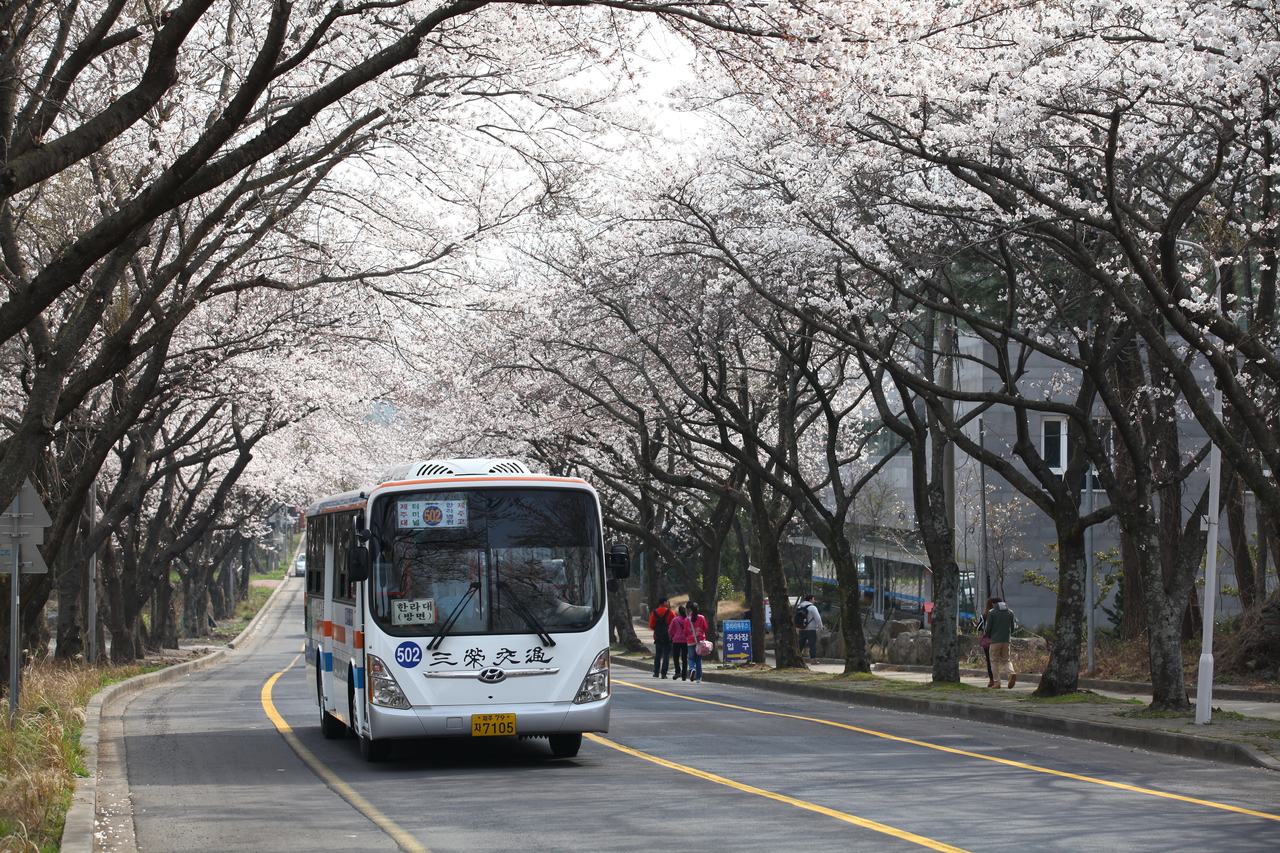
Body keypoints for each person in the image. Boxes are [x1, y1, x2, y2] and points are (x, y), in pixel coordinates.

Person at [986, 596, 1017, 688]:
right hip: (1006, 640)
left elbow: (988, 627)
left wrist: (990, 636)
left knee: (994, 661)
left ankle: (997, 682)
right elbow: (1013, 627)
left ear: (993, 604)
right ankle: (1011, 673)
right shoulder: (1010, 612)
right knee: (1006, 660)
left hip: (995, 640)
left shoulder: (991, 612)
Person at [649, 597, 675, 678]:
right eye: (667, 601)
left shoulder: (654, 612)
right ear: (664, 602)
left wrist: (657, 630)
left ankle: (656, 672)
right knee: (666, 655)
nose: (668, 603)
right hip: (668, 636)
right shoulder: (670, 612)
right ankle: (664, 673)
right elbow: (674, 624)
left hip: (658, 636)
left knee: (658, 654)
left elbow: (651, 624)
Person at [685, 603, 708, 683]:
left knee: (691, 658)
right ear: (697, 609)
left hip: (690, 641)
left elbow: (685, 631)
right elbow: (705, 628)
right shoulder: (702, 618)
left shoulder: (687, 619)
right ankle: (698, 678)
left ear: (690, 610)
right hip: (700, 642)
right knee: (698, 660)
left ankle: (692, 668)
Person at [977, 597, 997, 688]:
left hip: (988, 641)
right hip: (999, 639)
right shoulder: (1000, 614)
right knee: (1002, 660)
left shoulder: (984, 616)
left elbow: (978, 628)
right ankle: (1000, 678)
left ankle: (992, 680)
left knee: (989, 661)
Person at [796, 594, 821, 660]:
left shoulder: (799, 607)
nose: (814, 600)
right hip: (811, 629)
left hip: (801, 628)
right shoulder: (812, 607)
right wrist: (820, 627)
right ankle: (813, 659)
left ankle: (796, 657)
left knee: (800, 644)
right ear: (810, 600)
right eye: (813, 599)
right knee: (812, 644)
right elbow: (817, 618)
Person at [669, 605, 690, 680]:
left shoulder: (675, 620)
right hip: (686, 640)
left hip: (676, 640)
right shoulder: (688, 620)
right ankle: (684, 675)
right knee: (684, 658)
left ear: (679, 612)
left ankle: (677, 671)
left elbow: (670, 630)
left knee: (676, 657)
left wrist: (672, 636)